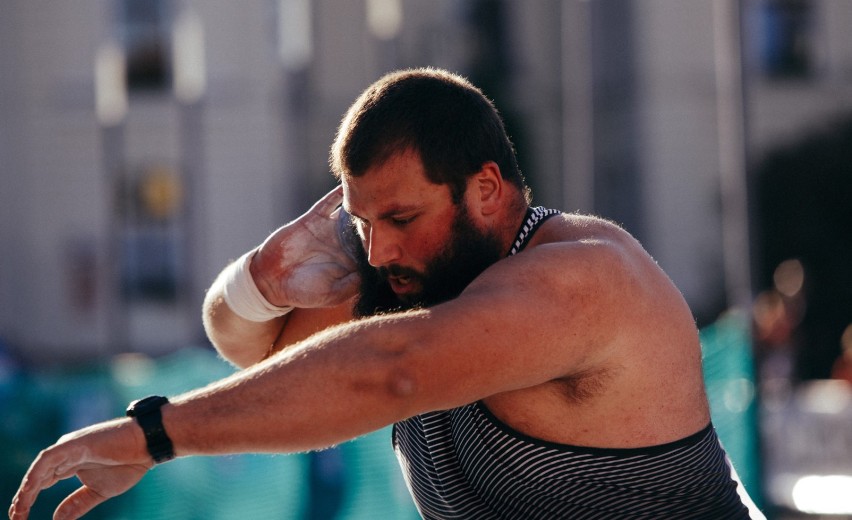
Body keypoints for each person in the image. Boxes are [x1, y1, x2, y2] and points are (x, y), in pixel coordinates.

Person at [9, 68, 764, 520]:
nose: (378, 249)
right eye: (362, 222)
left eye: (401, 218)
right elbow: (257, 358)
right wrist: (262, 280)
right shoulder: (415, 274)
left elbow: (395, 369)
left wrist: (156, 434)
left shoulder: (585, 279)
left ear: (487, 189)